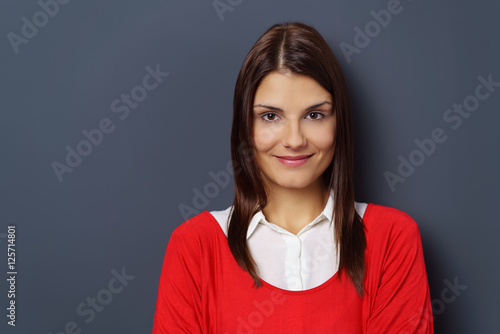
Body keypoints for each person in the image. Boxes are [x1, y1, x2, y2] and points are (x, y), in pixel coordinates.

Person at [152, 21, 433, 333]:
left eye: (314, 115)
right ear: (246, 126)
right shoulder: (195, 247)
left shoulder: (392, 239)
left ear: (339, 123)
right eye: (271, 116)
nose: (294, 139)